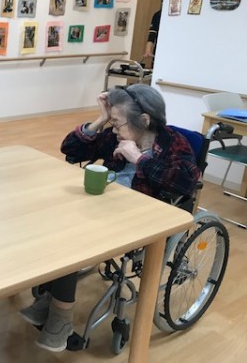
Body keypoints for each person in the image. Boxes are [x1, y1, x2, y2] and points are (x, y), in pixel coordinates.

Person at [19, 84, 200, 352]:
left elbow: (185, 183)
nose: (113, 129)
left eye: (117, 122)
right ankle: (52, 300)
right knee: (54, 221)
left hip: (142, 219)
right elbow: (70, 149)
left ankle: (61, 317)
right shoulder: (116, 136)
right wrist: (101, 119)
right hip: (105, 206)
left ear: (144, 120)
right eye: (112, 122)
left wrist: (138, 158)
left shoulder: (174, 144)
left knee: (71, 237)